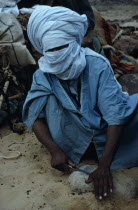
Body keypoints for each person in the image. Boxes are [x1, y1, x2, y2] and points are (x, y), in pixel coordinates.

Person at [22, 6, 138, 200]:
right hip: (71, 139)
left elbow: (115, 116)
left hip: (106, 134)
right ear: (42, 50)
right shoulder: (42, 75)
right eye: (52, 51)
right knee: (43, 99)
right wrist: (55, 151)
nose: (58, 56)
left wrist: (103, 166)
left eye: (62, 48)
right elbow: (35, 117)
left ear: (74, 43)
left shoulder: (97, 64)